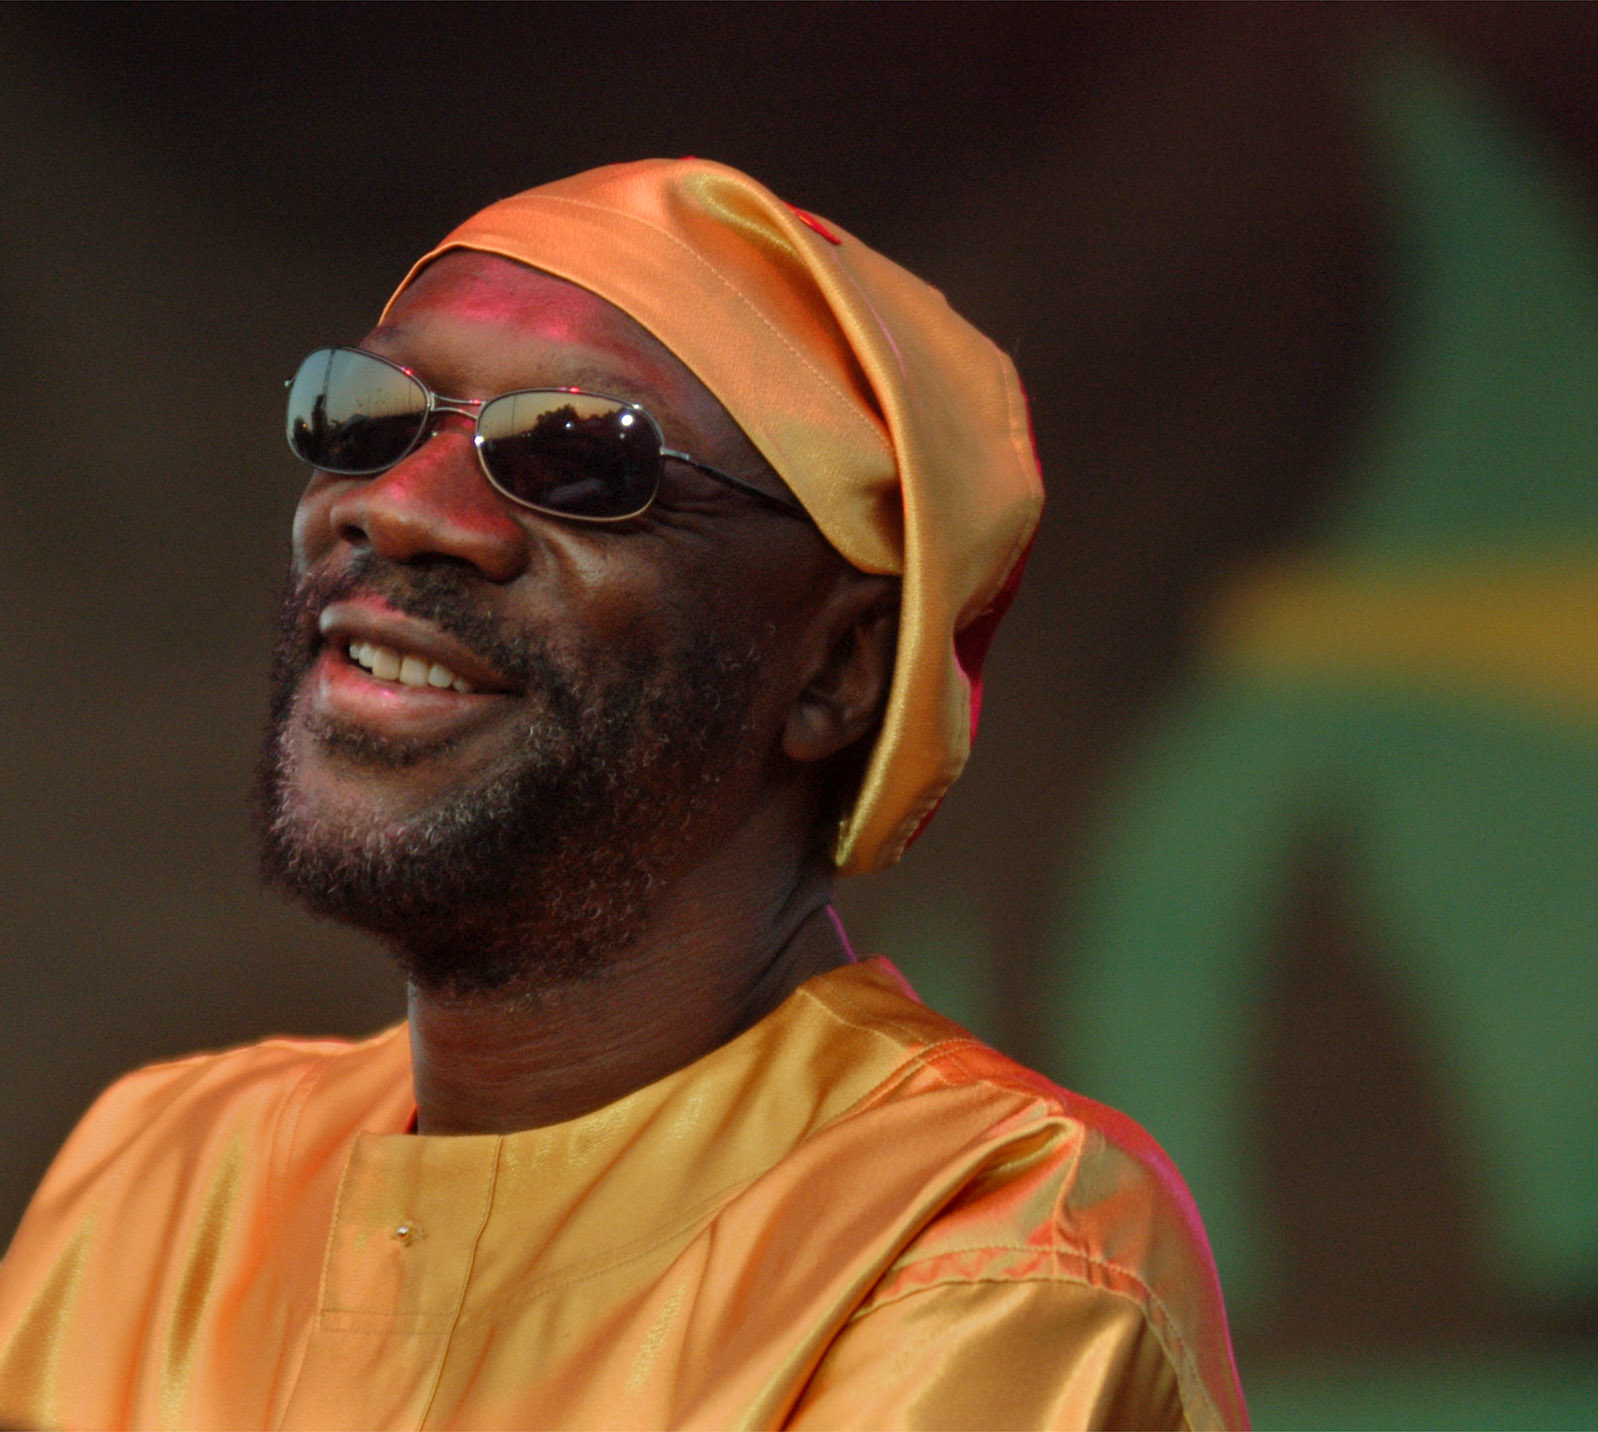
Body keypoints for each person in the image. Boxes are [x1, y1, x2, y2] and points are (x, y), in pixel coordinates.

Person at [0, 159, 1246, 1430]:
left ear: (834, 667)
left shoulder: (990, 1238)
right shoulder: (162, 1173)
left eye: (578, 455)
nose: (396, 506)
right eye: (368, 414)